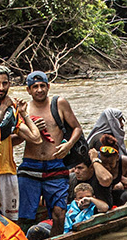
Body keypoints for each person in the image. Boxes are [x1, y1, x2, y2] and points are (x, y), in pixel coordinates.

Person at [17, 71, 84, 231]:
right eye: (35, 87)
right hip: (30, 167)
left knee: (59, 213)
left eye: (42, 86)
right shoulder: (23, 110)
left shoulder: (59, 103)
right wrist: (31, 131)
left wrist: (68, 145)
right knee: (25, 216)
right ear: (28, 90)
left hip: (56, 165)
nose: (39, 90)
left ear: (48, 86)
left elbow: (77, 128)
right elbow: (15, 139)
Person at [0, 65, 23, 221]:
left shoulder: (12, 107)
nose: (1, 88)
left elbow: (23, 135)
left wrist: (23, 113)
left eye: (5, 83)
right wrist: (4, 107)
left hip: (7, 168)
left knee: (10, 218)